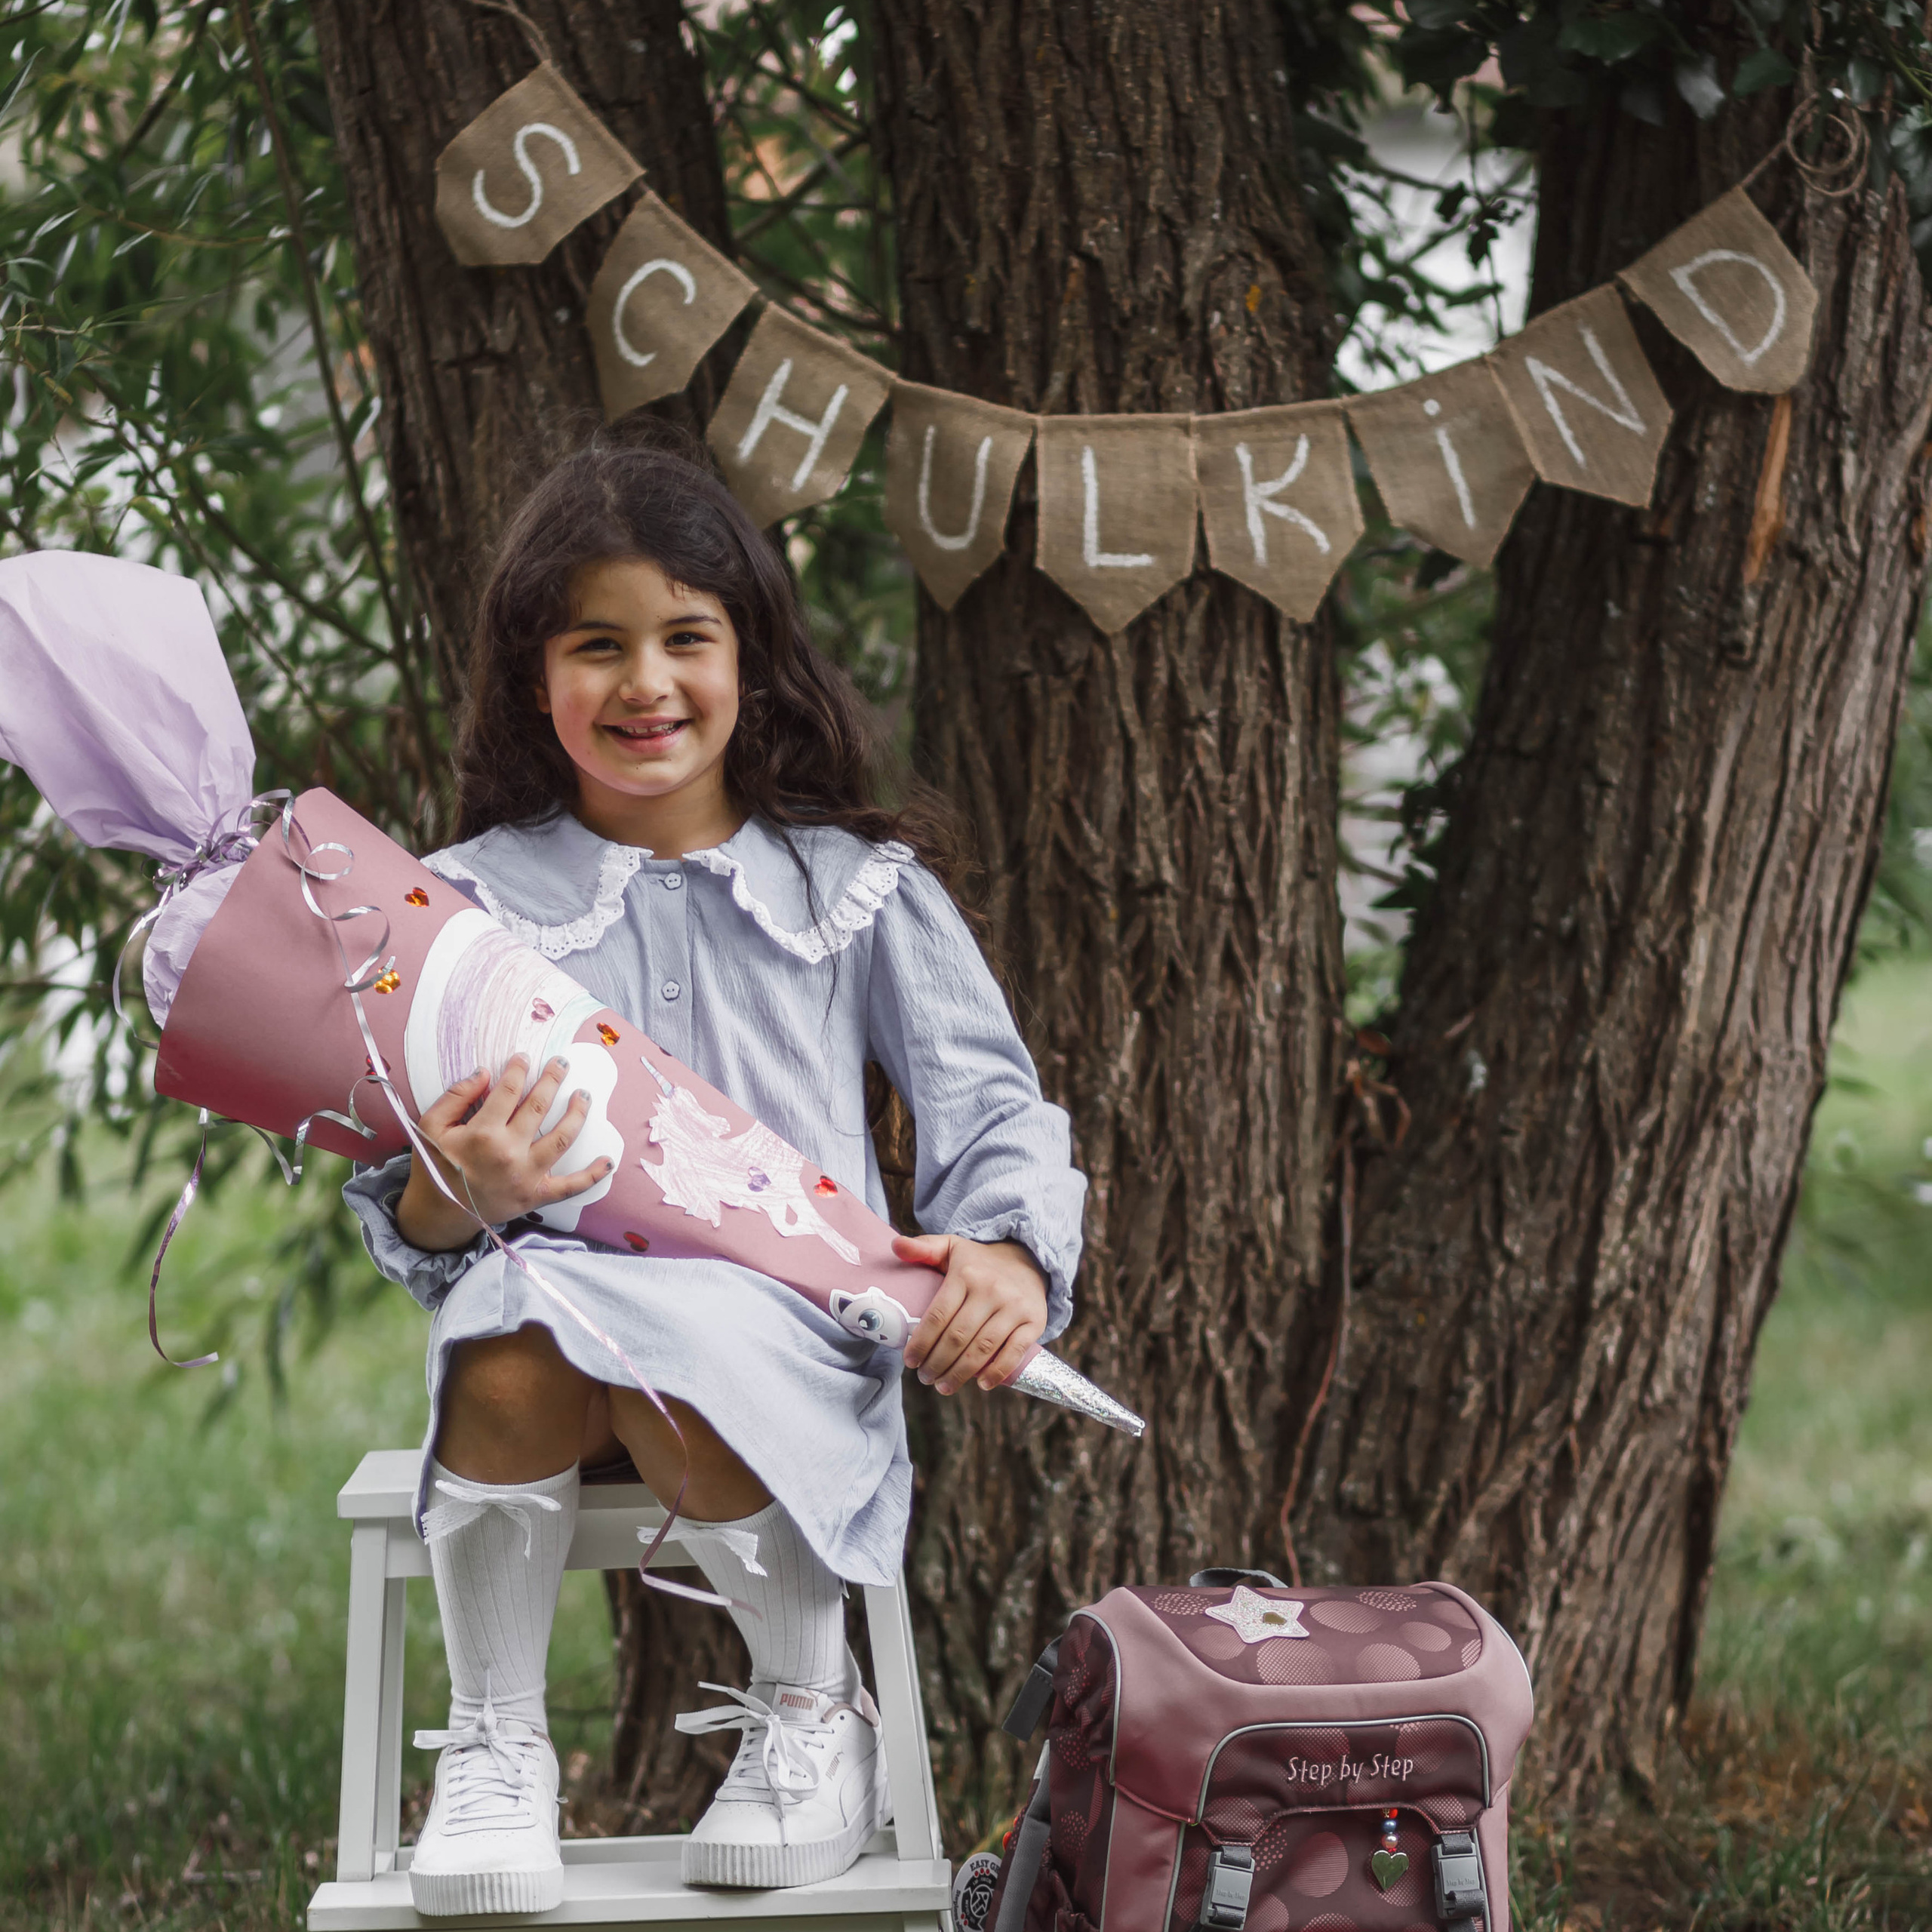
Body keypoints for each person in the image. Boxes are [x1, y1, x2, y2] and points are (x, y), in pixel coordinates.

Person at [343, 430, 1085, 1918]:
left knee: (668, 1338)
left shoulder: (852, 889)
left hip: (779, 1339)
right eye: (594, 644)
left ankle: (815, 1707)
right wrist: (460, 1186)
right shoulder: (467, 906)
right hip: (542, 1338)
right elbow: (408, 1196)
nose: (644, 683)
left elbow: (989, 1099)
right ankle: (494, 1744)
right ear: (531, 668)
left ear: (751, 656)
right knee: (505, 1324)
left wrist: (1003, 1250)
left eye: (687, 637)